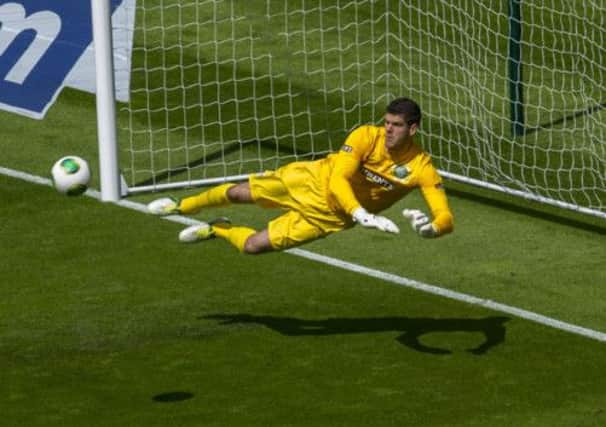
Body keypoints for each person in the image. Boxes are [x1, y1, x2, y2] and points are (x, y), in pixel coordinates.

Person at [147, 97, 454, 254]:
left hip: (327, 219)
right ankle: (184, 205)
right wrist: (361, 213)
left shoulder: (421, 168)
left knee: (253, 246)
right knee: (237, 193)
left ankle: (218, 230)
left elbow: (445, 217)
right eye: (386, 122)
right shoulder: (365, 135)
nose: (388, 129)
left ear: (412, 129)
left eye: (396, 125)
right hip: (310, 181)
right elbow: (338, 179)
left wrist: (431, 230)